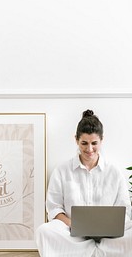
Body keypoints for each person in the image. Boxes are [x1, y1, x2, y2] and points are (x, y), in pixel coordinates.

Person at [36, 109, 132, 257]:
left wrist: (109, 227)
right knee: (44, 231)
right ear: (76, 139)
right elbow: (54, 208)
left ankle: (92, 252)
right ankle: (99, 252)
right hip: (73, 235)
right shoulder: (62, 170)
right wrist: (72, 224)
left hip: (110, 237)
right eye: (84, 143)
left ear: (102, 140)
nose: (89, 149)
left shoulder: (114, 172)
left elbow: (125, 209)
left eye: (94, 143)